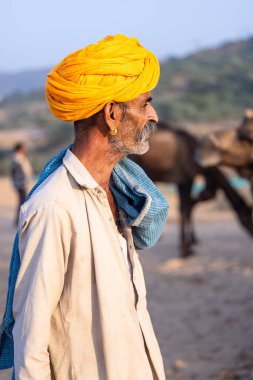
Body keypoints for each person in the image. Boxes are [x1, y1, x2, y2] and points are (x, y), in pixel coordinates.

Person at [1, 34, 169, 379]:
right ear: (111, 114)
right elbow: (31, 341)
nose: (152, 114)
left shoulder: (120, 193)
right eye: (144, 103)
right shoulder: (54, 207)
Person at [11, 143, 33, 224]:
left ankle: (19, 220)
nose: (25, 150)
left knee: (21, 202)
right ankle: (20, 220)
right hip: (21, 184)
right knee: (23, 202)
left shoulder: (17, 158)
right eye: (23, 148)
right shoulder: (18, 159)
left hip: (20, 183)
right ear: (19, 149)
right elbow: (24, 172)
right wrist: (25, 182)